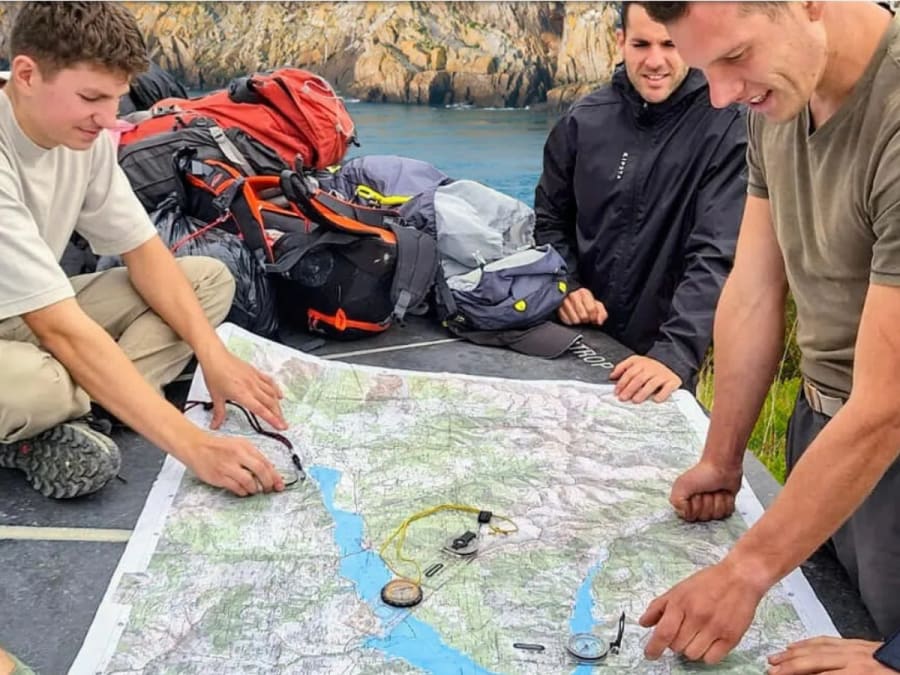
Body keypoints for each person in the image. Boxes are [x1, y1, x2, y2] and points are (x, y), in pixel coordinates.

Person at [633, 1, 900, 666]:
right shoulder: (777, 100)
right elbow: (753, 292)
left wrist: (746, 572)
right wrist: (723, 458)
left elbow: (888, 406)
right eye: (706, 67)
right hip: (821, 438)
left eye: (734, 57)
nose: (722, 96)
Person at [0, 2, 286, 499]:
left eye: (116, 99)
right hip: (40, 320)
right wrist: (192, 444)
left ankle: (77, 412)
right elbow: (60, 329)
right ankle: (50, 418)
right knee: (38, 384)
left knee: (206, 280)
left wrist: (212, 354)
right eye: (91, 97)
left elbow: (144, 251)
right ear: (26, 74)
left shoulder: (83, 138)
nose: (108, 119)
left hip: (26, 310)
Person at [534, 1, 746, 404]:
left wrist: (675, 354)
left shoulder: (727, 129)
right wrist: (565, 286)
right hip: (577, 345)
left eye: (670, 44)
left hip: (662, 364)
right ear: (620, 42)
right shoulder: (582, 121)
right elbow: (550, 222)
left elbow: (716, 255)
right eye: (641, 44)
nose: (655, 61)